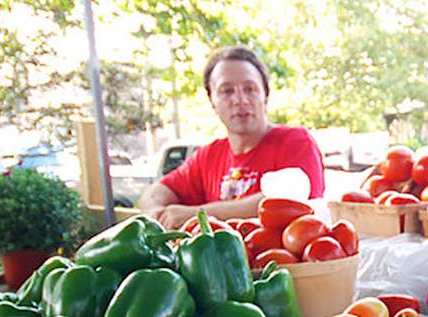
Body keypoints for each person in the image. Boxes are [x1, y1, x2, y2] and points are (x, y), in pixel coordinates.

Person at [139, 45, 325, 228]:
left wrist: (197, 215)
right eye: (227, 91)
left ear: (265, 95)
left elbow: (289, 201)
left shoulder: (296, 142)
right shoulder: (207, 157)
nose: (240, 100)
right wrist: (156, 213)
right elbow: (155, 193)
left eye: (250, 89)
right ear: (212, 100)